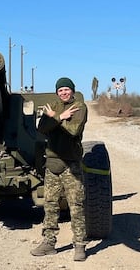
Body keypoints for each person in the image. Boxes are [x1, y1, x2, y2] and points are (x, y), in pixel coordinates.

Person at [30, 77, 88, 262]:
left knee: (76, 205)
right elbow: (41, 128)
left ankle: (79, 245)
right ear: (57, 92)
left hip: (71, 164)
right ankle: (48, 243)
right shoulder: (53, 106)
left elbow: (73, 130)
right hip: (53, 164)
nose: (64, 93)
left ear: (72, 90)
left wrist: (55, 120)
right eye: (61, 90)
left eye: (67, 90)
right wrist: (59, 117)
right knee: (50, 205)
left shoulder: (80, 106)